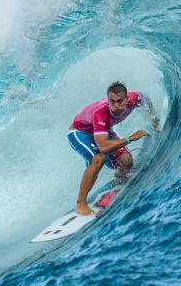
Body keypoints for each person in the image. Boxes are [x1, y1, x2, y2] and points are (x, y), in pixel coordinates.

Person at [67, 81, 160, 216]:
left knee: (126, 162)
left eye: (120, 101)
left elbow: (145, 99)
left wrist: (154, 120)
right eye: (112, 101)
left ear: (127, 99)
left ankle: (120, 176)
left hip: (103, 131)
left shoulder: (134, 99)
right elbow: (104, 147)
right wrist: (130, 138)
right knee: (99, 158)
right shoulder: (101, 114)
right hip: (81, 133)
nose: (116, 105)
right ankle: (81, 202)